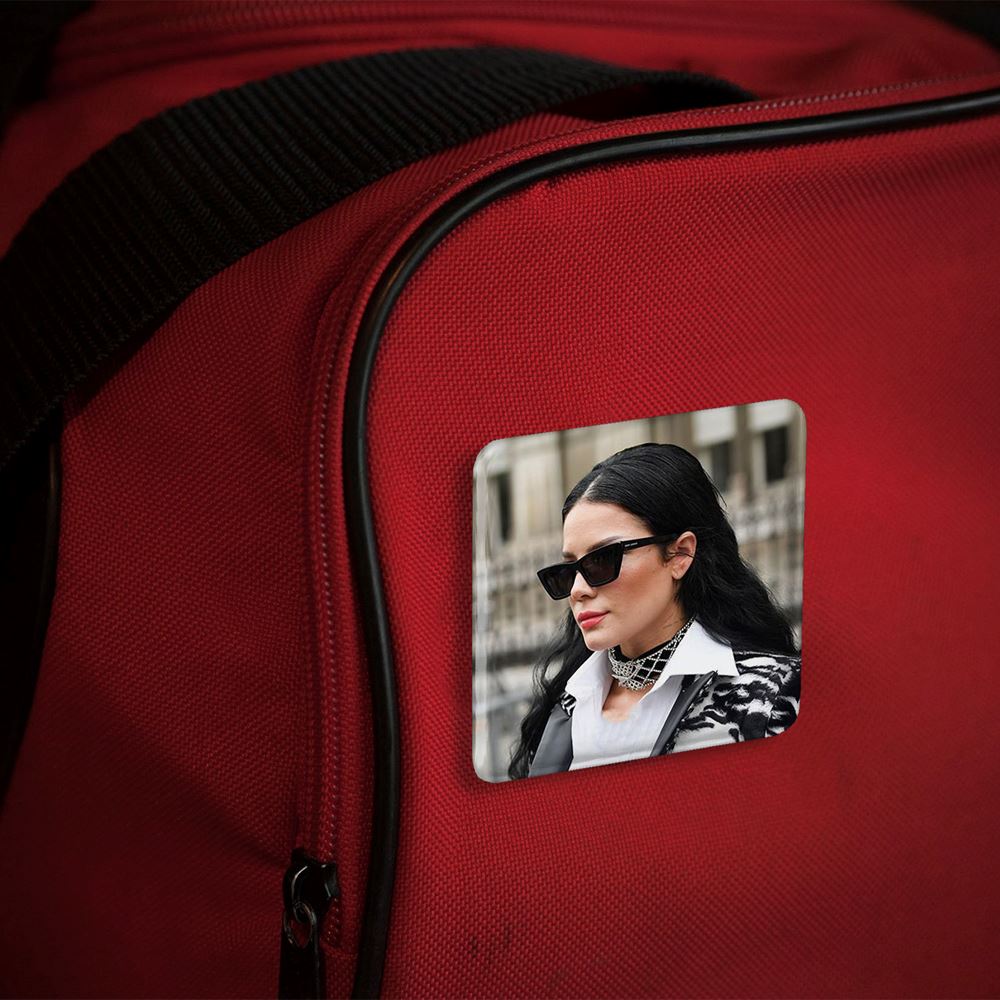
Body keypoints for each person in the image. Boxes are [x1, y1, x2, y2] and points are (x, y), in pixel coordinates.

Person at [507, 442, 801, 779]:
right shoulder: (563, 708)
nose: (577, 590)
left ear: (680, 555)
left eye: (602, 560)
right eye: (567, 571)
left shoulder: (771, 697)